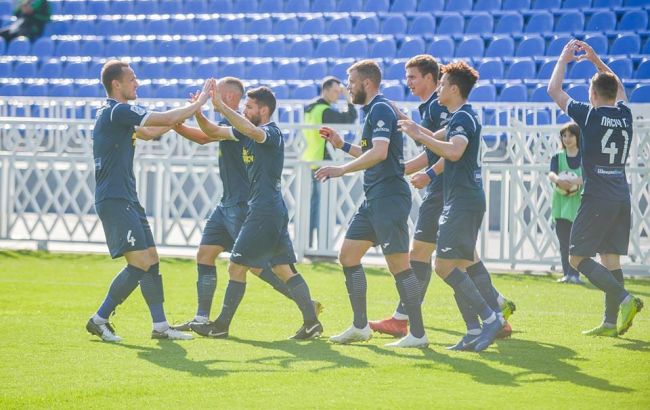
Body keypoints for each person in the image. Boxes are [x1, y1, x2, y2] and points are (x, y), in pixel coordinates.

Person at [370, 55, 516, 341]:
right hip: (450, 192)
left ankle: (407, 319)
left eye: (413, 77)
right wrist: (402, 153)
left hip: (446, 191)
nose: (408, 82)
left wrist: (429, 174)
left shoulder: (445, 108)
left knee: (428, 256)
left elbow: (446, 150)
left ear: (432, 78)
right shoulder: (437, 108)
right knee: (462, 257)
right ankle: (494, 309)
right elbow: (431, 141)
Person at [170, 77, 322, 331]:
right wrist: (197, 111)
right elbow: (213, 132)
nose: (244, 110)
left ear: (264, 110)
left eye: (249, 107)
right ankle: (311, 322)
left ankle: (220, 326)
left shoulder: (270, 132)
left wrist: (220, 107)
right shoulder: (244, 130)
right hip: (263, 208)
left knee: (240, 266)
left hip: (261, 210)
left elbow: (251, 132)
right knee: (282, 268)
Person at [86, 60, 213, 342]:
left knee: (151, 259)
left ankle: (160, 326)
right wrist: (199, 103)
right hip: (115, 198)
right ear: (116, 84)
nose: (137, 83)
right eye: (132, 79)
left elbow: (151, 131)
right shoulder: (118, 110)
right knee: (140, 262)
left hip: (127, 197)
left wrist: (182, 115)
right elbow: (162, 119)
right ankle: (99, 319)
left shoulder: (115, 114)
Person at [315, 59, 427, 348]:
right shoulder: (374, 110)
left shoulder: (380, 108)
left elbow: (379, 153)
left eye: (351, 82)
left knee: (399, 265)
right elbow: (372, 152)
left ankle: (417, 333)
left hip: (389, 197)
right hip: (374, 198)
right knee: (348, 256)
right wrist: (342, 145)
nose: (348, 88)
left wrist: (341, 169)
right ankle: (360, 326)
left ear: (366, 83)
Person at [397, 61, 502, 352]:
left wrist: (420, 136)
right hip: (460, 200)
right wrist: (410, 125)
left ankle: (490, 318)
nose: (439, 89)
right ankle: (473, 330)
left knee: (443, 266)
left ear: (454, 89)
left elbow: (454, 151)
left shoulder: (463, 117)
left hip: (464, 201)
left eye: (442, 85)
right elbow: (434, 138)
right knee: (457, 266)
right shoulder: (460, 116)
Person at [547, 39, 643, 337]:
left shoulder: (590, 115)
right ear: (614, 93)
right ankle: (610, 323)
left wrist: (563, 59)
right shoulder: (625, 114)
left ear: (592, 94)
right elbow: (618, 86)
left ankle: (625, 299)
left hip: (597, 196)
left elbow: (554, 90)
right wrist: (596, 60)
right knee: (610, 258)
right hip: (620, 195)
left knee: (576, 258)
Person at [302, 76, 358, 247]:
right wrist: (349, 98)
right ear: (325, 90)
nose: (337, 95)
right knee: (322, 206)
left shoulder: (310, 108)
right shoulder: (324, 110)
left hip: (309, 159)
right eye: (335, 91)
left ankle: (308, 243)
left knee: (313, 205)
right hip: (322, 160)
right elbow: (350, 118)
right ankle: (322, 246)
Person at [548, 122, 583, 284]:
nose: (567, 139)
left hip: (579, 204)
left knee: (577, 241)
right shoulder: (558, 156)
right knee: (564, 241)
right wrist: (559, 181)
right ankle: (567, 274)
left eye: (571, 135)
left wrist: (573, 182)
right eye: (564, 136)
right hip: (561, 205)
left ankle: (576, 274)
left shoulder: (584, 157)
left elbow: (587, 176)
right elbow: (551, 174)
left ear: (578, 137)